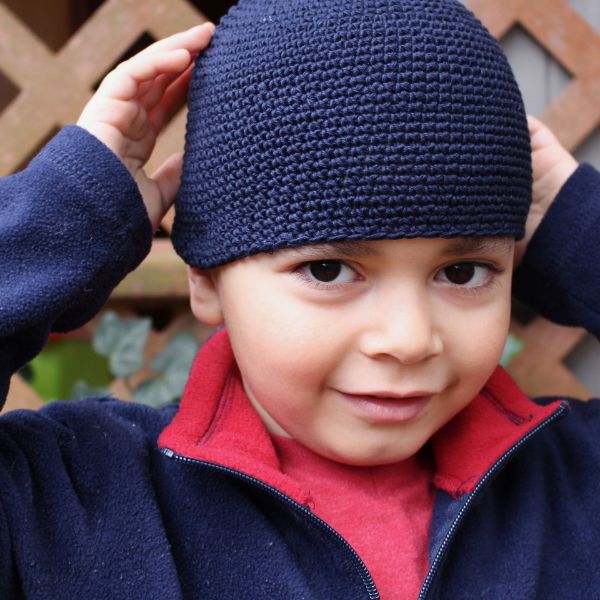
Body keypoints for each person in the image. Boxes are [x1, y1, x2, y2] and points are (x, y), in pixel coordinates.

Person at [0, 0, 598, 598]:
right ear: (206, 277)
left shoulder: (576, 482)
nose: (409, 339)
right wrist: (70, 211)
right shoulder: (70, 500)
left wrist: (579, 228)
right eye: (329, 269)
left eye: (463, 272)